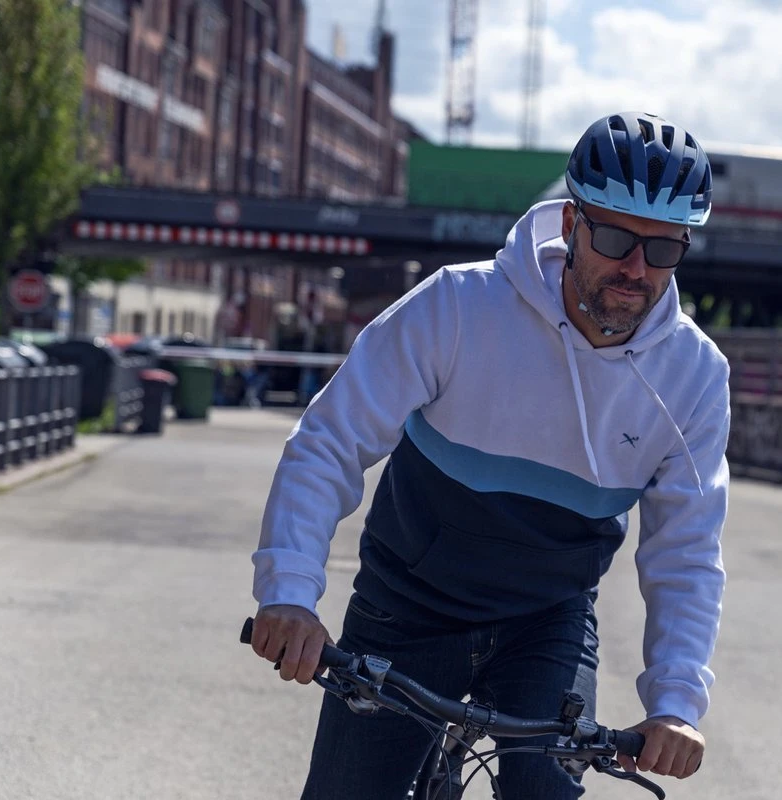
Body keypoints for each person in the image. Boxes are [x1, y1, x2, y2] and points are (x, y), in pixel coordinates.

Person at [248, 111, 730, 799]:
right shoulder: (458, 306)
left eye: (662, 249)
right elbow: (328, 442)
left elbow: (687, 551)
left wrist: (676, 704)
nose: (636, 268)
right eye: (616, 238)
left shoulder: (695, 376)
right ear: (571, 224)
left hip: (547, 623)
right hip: (408, 608)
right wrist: (289, 595)